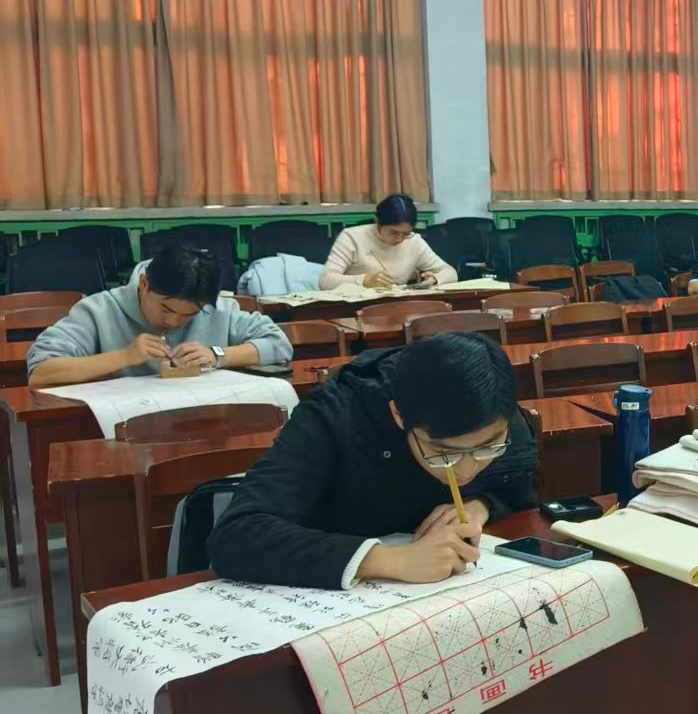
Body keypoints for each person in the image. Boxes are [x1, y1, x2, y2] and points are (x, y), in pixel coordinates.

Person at [207, 334, 539, 590]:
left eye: (487, 448)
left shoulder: (496, 410)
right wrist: (387, 560)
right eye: (444, 453)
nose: (466, 471)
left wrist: (481, 504)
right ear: (398, 414)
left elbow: (518, 479)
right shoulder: (336, 415)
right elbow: (237, 536)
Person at [26, 243, 293, 387]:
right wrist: (125, 357)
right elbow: (41, 372)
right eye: (166, 309)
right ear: (144, 284)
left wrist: (218, 355)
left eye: (189, 314)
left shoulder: (217, 308)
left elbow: (279, 344)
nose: (173, 321)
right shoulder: (99, 310)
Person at [320, 194, 456, 291]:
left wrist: (434, 279)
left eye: (406, 233)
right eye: (392, 232)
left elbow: (450, 272)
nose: (399, 239)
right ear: (377, 221)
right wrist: (364, 281)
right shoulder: (352, 237)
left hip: (397, 307)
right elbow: (325, 281)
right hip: (355, 309)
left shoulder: (414, 241)